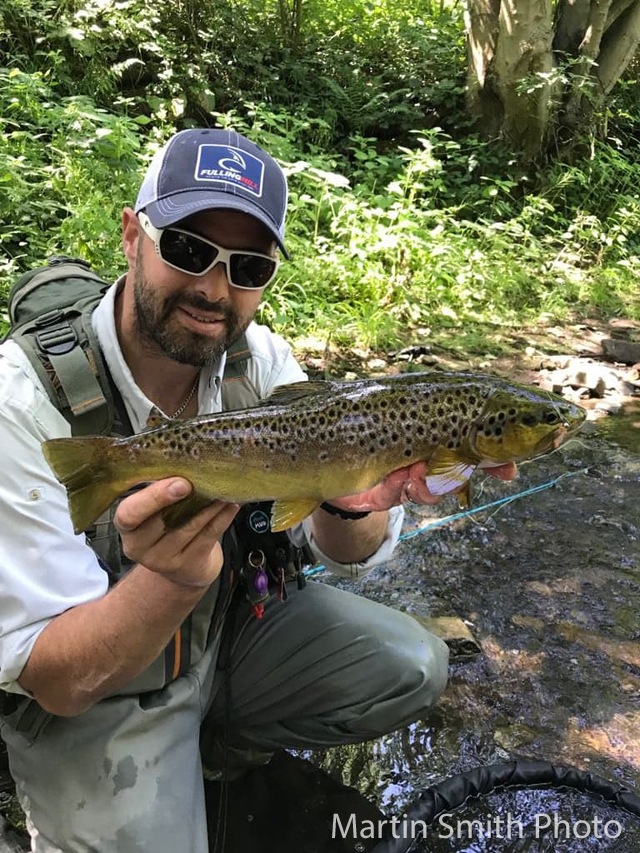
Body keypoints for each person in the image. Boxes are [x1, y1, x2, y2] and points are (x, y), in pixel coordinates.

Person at [0, 127, 515, 852]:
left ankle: (213, 750)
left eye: (246, 265)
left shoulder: (262, 362)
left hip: (223, 640)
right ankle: (146, 767)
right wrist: (172, 579)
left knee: (411, 663)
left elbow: (349, 553)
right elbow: (55, 681)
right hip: (93, 694)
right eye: (187, 249)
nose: (214, 287)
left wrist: (346, 497)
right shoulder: (21, 404)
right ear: (130, 235)